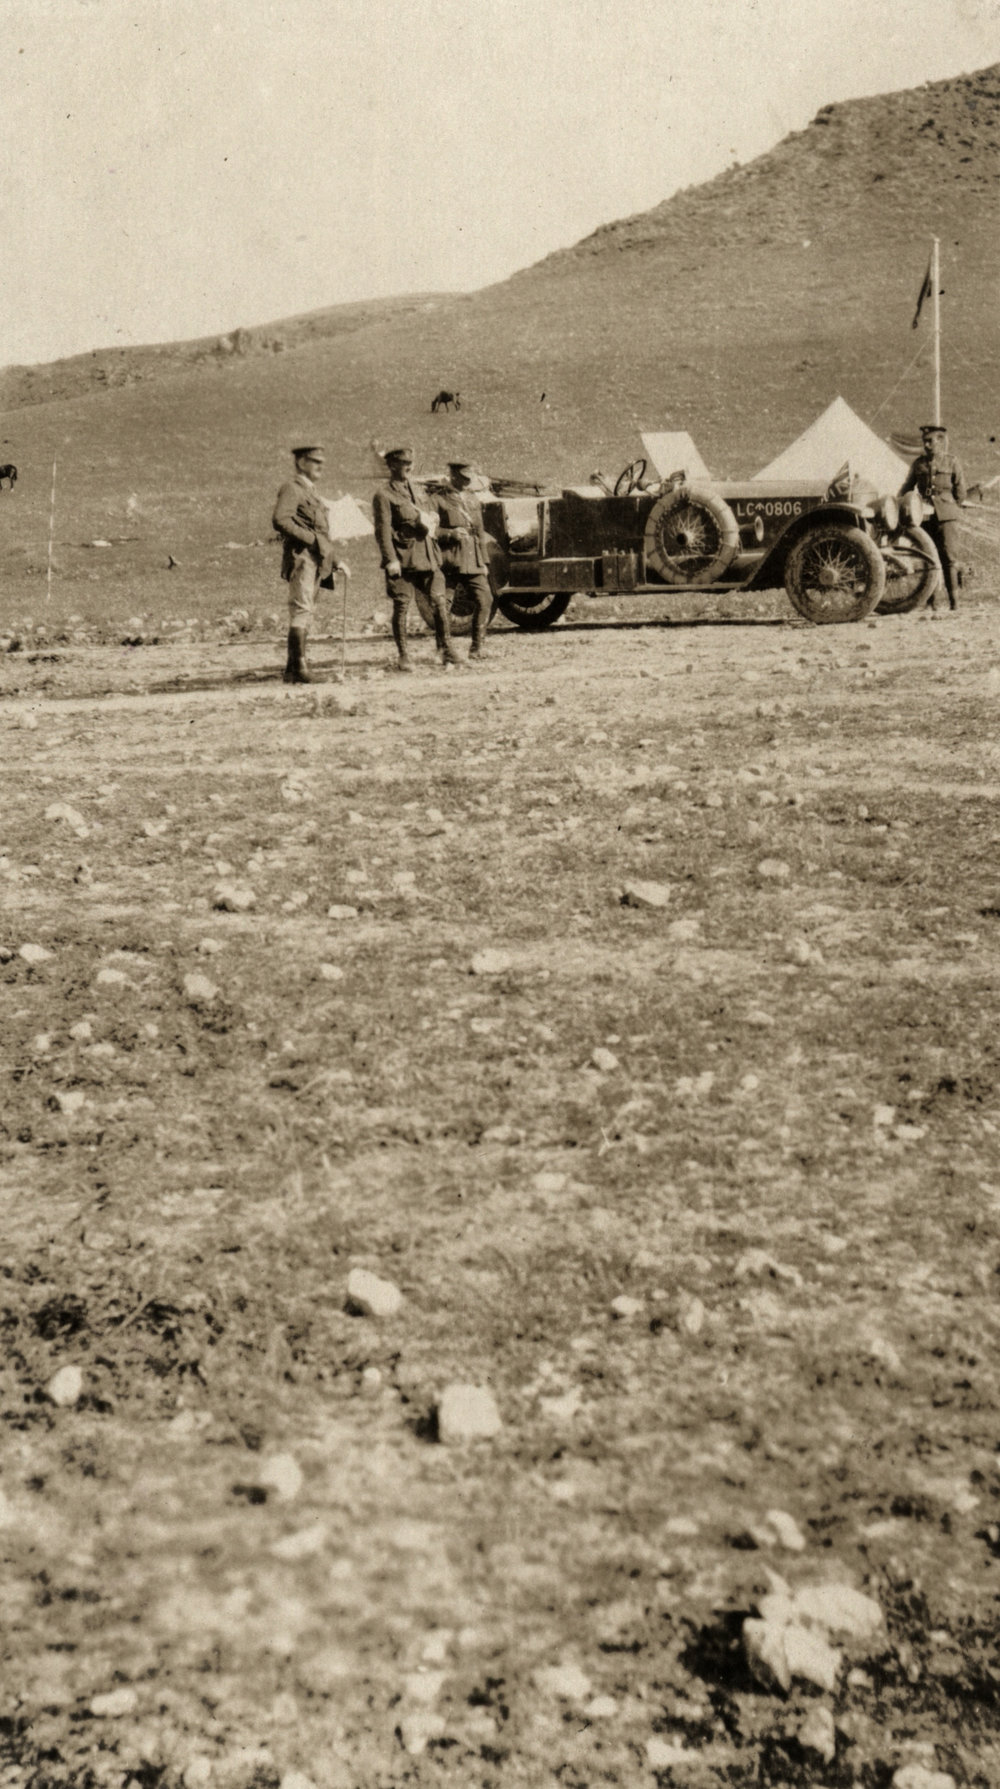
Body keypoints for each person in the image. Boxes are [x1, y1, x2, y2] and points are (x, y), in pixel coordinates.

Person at [373, 445, 460, 671]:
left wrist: (431, 519)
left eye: (410, 464)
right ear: (391, 466)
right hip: (403, 559)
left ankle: (446, 649)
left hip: (428, 556)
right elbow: (382, 531)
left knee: (439, 602)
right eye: (403, 464)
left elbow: (430, 517)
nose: (408, 467)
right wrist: (390, 559)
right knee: (402, 606)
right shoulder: (384, 495)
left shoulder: (418, 491)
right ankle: (404, 656)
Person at [272, 445, 351, 682]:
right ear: (301, 463)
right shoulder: (292, 488)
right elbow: (280, 520)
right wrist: (311, 540)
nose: (320, 466)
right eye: (315, 461)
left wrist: (336, 560)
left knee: (306, 611)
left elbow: (321, 534)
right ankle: (300, 670)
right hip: (302, 558)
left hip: (315, 558)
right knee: (302, 610)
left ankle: (291, 669)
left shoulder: (311, 492)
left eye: (322, 462)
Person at [899, 423, 968, 611]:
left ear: (940, 441)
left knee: (950, 559)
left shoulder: (952, 462)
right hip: (926, 516)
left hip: (947, 517)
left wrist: (951, 508)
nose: (927, 445)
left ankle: (955, 603)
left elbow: (960, 492)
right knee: (929, 557)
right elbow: (907, 488)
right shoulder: (918, 464)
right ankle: (932, 602)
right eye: (925, 441)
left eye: (930, 441)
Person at [435, 459, 493, 660]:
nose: (468, 482)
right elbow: (429, 530)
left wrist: (484, 562)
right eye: (464, 478)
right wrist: (449, 534)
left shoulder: (472, 500)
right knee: (442, 604)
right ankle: (444, 649)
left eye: (470, 478)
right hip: (450, 559)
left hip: (473, 559)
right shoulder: (438, 499)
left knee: (486, 599)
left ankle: (477, 648)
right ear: (453, 476)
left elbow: (479, 531)